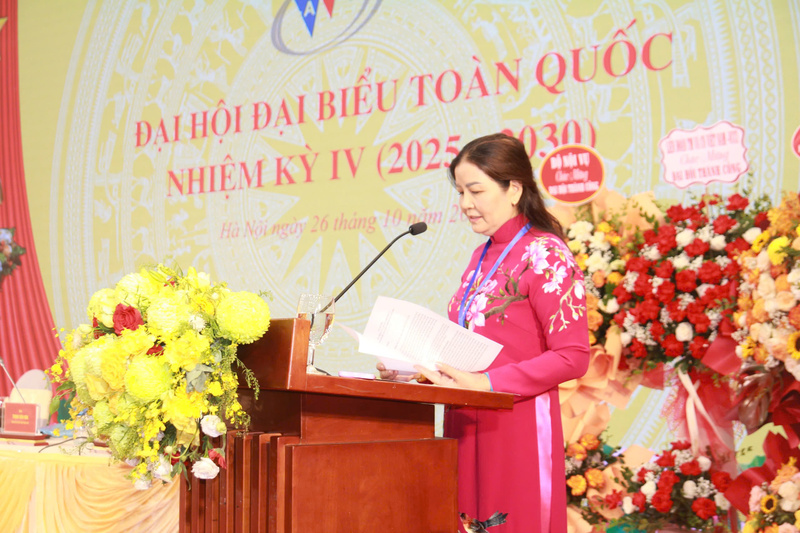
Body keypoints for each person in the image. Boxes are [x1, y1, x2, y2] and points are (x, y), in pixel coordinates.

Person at [379, 133, 590, 533]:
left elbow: (573, 356)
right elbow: (466, 345)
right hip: (464, 421)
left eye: (475, 190)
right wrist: (409, 368)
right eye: (460, 192)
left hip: (516, 423)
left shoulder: (546, 254)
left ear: (514, 189)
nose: (464, 203)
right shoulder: (481, 256)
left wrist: (488, 383)